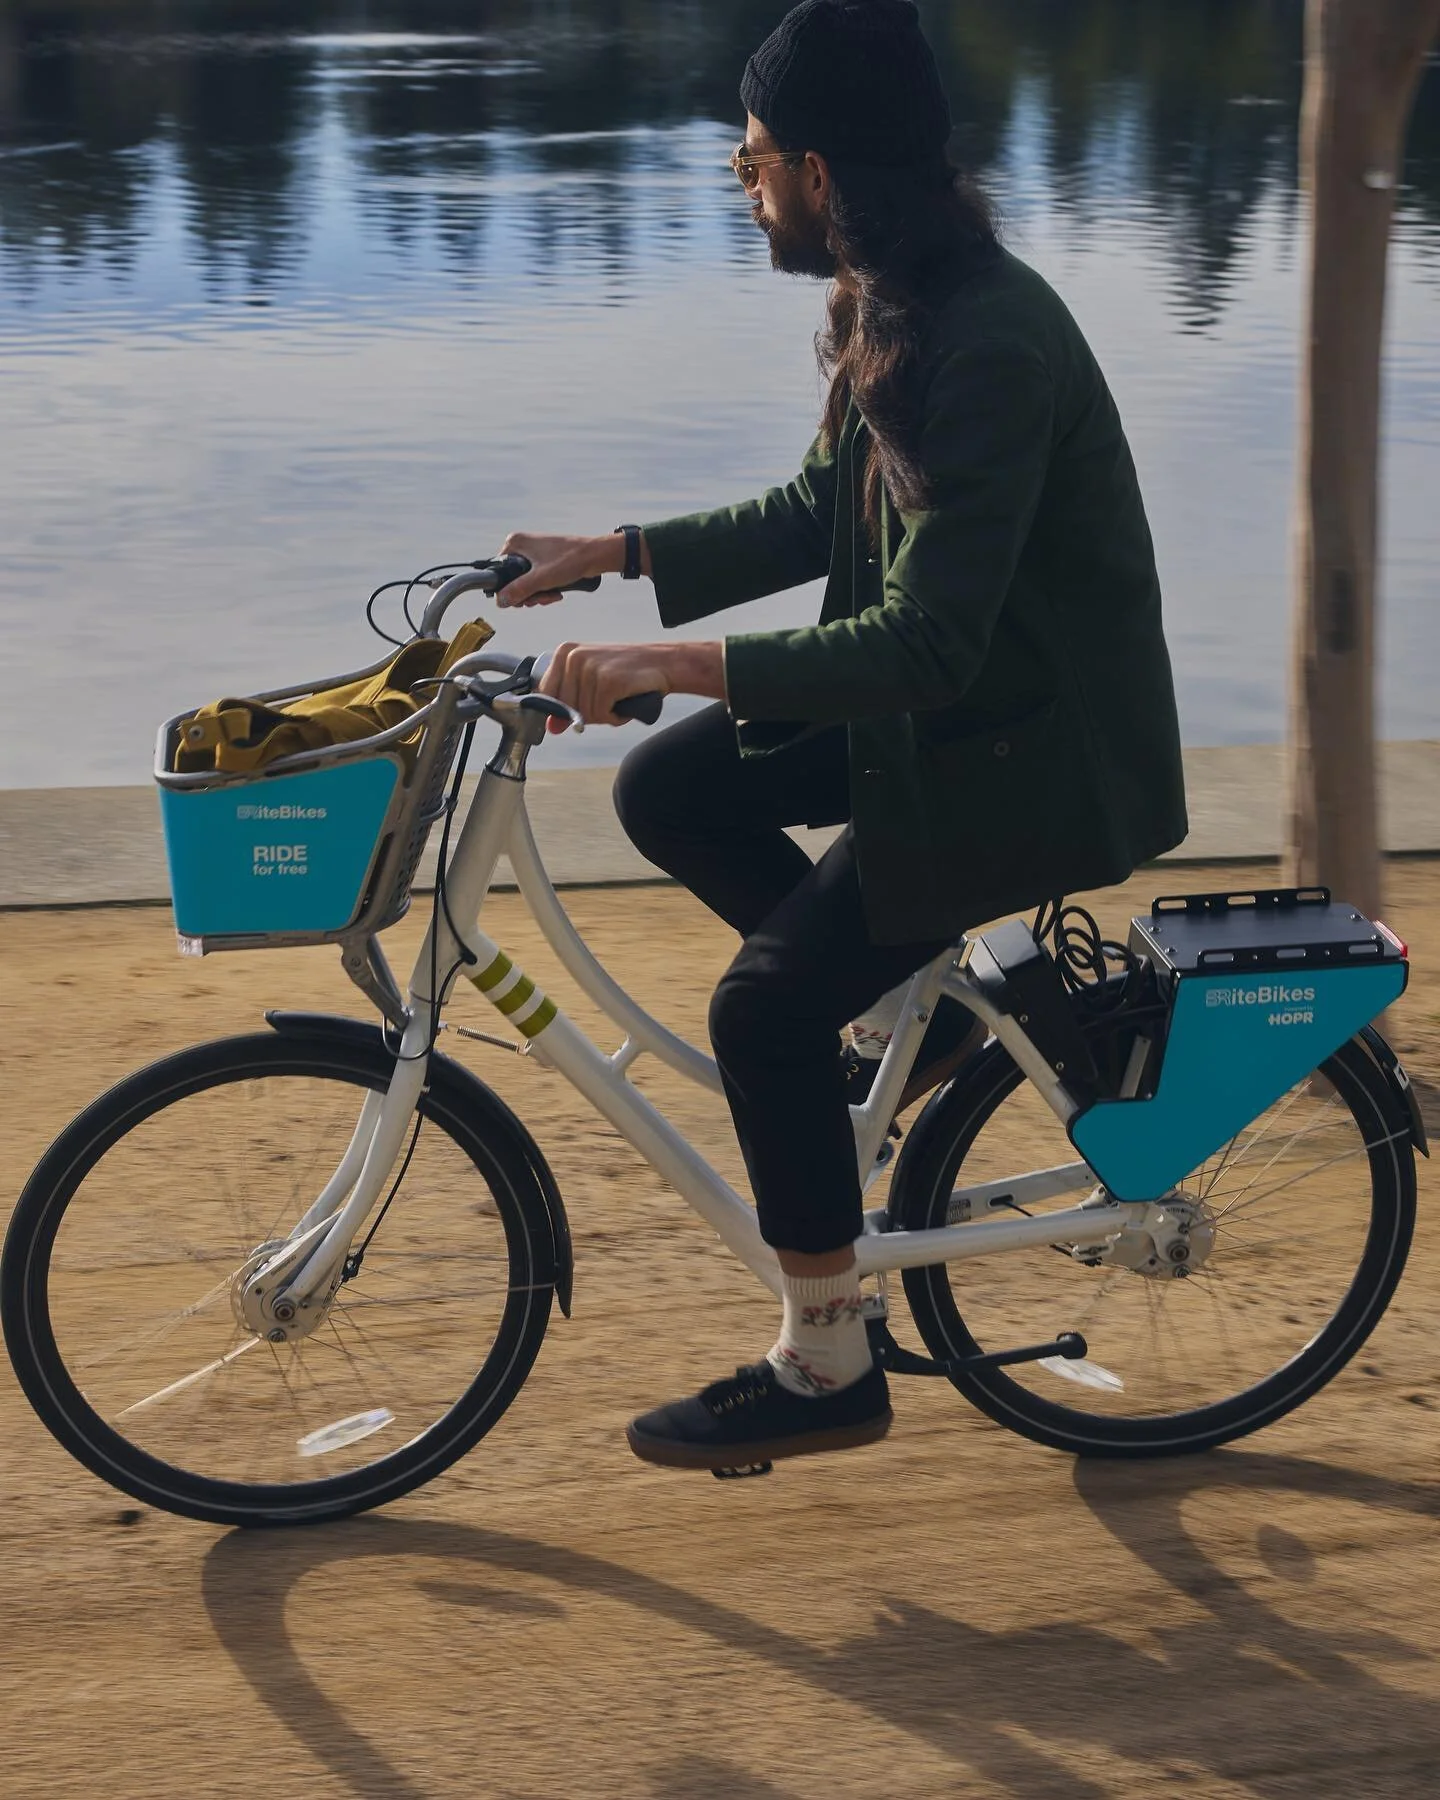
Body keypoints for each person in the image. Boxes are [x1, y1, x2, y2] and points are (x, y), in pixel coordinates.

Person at [496, 0, 1187, 1472]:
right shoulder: (898, 298)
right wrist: (610, 552)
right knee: (669, 789)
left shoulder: (990, 342)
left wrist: (673, 659)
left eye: (750, 160)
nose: (743, 186)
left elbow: (929, 642)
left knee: (762, 1013)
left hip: (1023, 754)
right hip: (953, 721)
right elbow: (820, 513)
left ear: (819, 167)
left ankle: (826, 1360)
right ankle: (920, 1018)